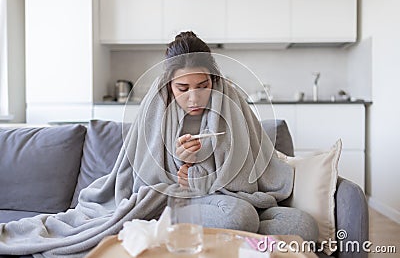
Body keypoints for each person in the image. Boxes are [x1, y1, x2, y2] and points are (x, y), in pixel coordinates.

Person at [0, 32, 318, 257]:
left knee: (302, 225)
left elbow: (252, 168)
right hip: (172, 203)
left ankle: (236, 245)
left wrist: (200, 175)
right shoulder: (157, 107)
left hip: (233, 196)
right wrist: (183, 168)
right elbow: (147, 182)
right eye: (183, 88)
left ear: (215, 80)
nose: (194, 96)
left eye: (203, 85)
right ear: (168, 85)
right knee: (239, 217)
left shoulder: (232, 102)